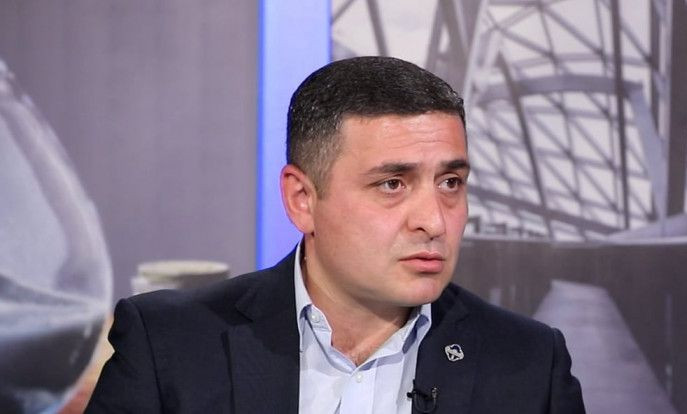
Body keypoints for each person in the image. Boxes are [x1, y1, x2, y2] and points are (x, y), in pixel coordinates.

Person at [86, 56, 584, 413]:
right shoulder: (169, 345)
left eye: (450, 182)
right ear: (302, 199)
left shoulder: (529, 364)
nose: (434, 222)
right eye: (392, 184)